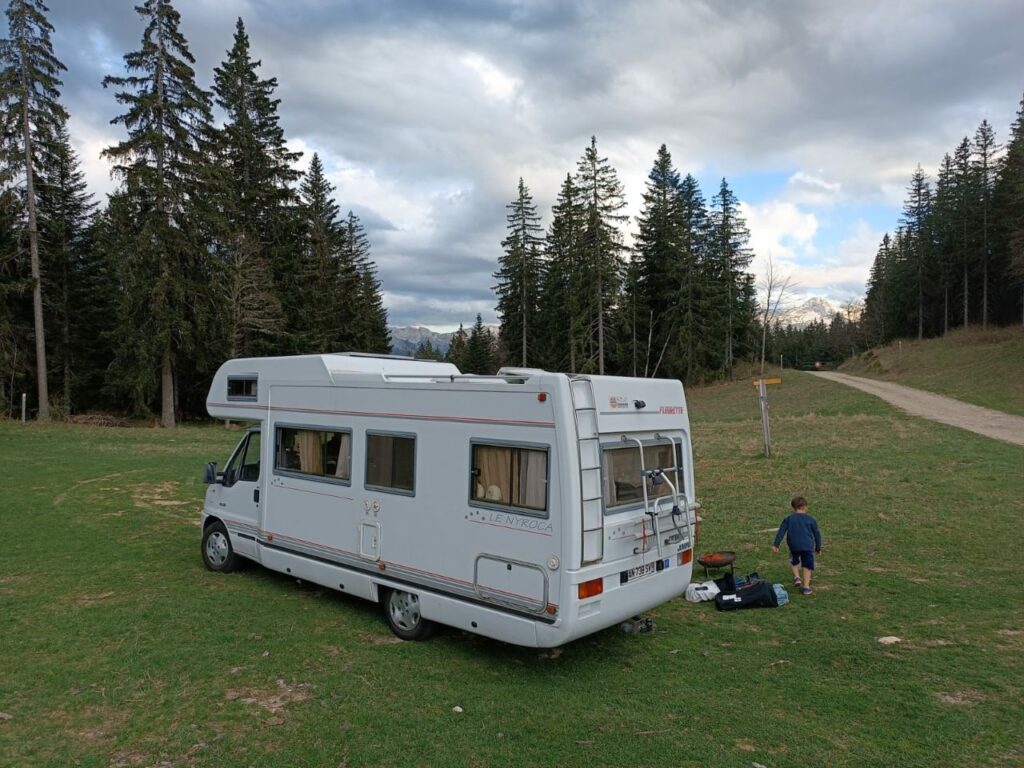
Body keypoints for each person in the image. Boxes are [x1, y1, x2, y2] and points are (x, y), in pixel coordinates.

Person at [772, 496, 822, 595]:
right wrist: (818, 547)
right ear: (805, 507)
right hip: (808, 546)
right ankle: (806, 587)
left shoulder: (789, 519)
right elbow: (817, 534)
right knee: (807, 566)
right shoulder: (811, 519)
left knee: (793, 561)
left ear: (793, 507)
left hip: (793, 545)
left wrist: (776, 544)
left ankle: (797, 577)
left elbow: (781, 531)